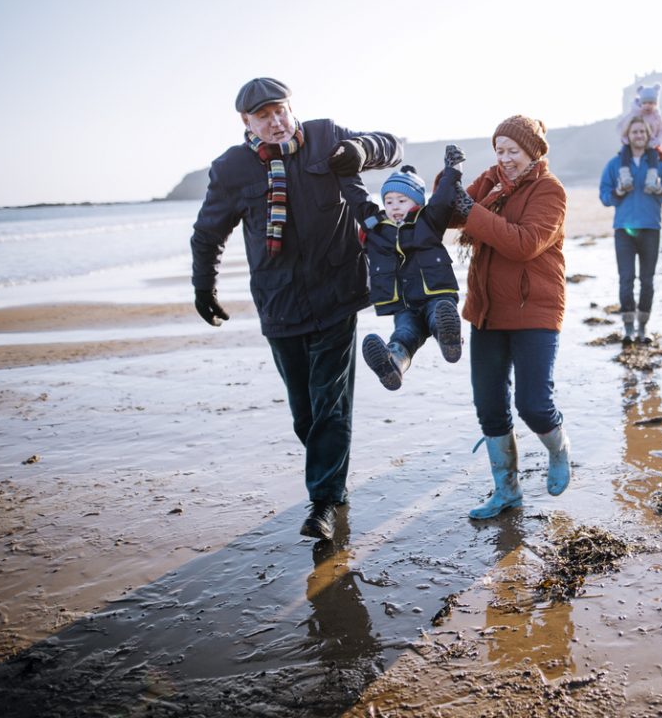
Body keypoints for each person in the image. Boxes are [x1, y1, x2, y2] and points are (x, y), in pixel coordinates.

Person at [190, 77, 402, 542]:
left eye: (280, 111)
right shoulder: (231, 170)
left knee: (330, 403)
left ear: (291, 108)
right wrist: (204, 286)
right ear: (245, 122)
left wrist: (361, 151)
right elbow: (208, 234)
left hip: (337, 294)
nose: (275, 122)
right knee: (305, 414)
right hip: (279, 303)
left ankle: (323, 503)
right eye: (263, 116)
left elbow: (393, 146)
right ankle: (333, 478)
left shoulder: (326, 137)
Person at [448, 115, 571, 519]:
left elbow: (524, 244)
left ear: (532, 151)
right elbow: (450, 212)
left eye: (512, 151)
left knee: (534, 405)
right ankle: (507, 490)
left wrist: (472, 212)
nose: (505, 158)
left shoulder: (550, 191)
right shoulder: (491, 180)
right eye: (499, 150)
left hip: (534, 308)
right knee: (489, 405)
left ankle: (559, 448)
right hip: (486, 310)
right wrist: (449, 180)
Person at [352, 145, 466, 391]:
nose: (394, 206)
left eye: (401, 200)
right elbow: (357, 198)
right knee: (404, 334)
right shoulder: (376, 228)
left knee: (439, 316)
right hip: (404, 304)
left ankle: (450, 340)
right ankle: (393, 365)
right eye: (388, 201)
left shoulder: (427, 220)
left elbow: (443, 198)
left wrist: (453, 170)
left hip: (435, 294)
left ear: (415, 202)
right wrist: (345, 171)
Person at [599, 116, 662, 344]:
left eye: (643, 132)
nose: (639, 135)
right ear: (627, 136)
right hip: (624, 229)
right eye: (635, 132)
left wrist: (660, 189)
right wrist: (618, 193)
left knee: (647, 280)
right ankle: (628, 329)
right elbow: (604, 195)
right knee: (626, 280)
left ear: (649, 135)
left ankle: (643, 328)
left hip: (651, 228)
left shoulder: (659, 165)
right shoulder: (614, 165)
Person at [615, 82, 662, 165]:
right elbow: (621, 127)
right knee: (624, 153)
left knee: (660, 158)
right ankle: (624, 171)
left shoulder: (656, 116)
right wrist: (627, 140)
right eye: (645, 103)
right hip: (633, 144)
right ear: (641, 103)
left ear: (655, 104)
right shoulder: (634, 113)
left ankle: (653, 173)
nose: (648, 106)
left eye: (651, 103)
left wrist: (658, 141)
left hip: (651, 144)